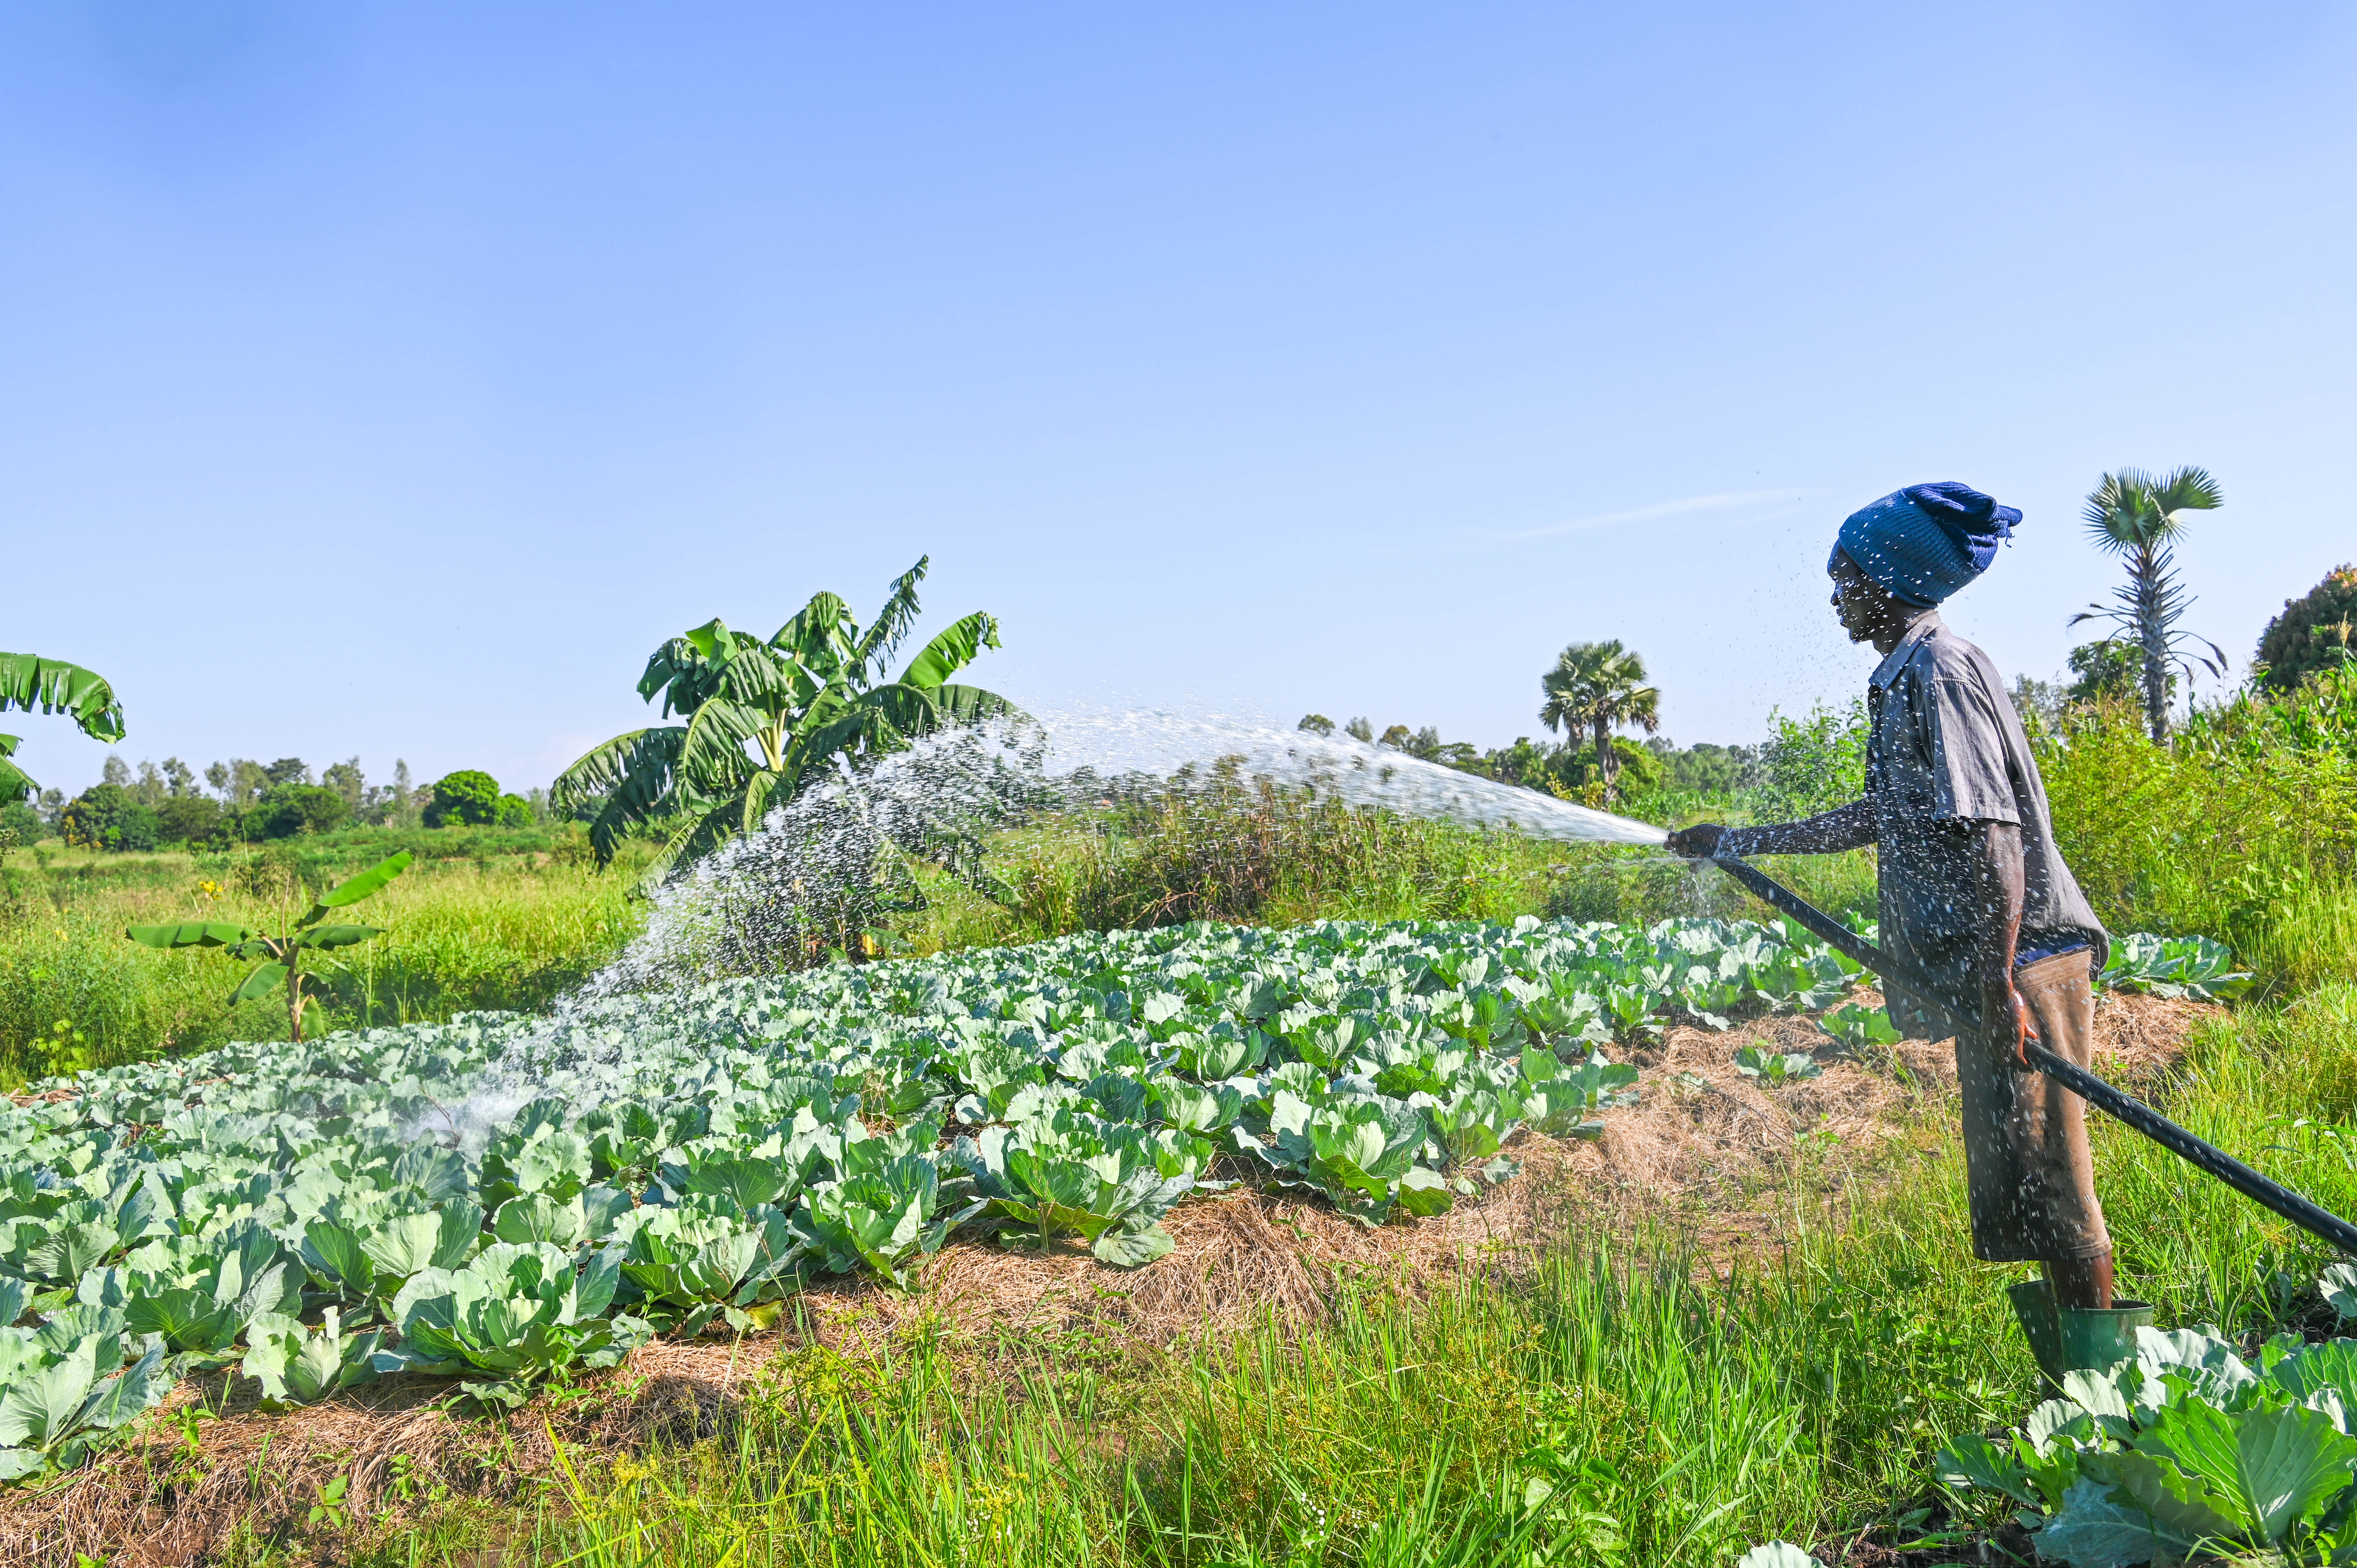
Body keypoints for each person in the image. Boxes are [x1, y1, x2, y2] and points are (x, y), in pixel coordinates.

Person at [1666, 482, 2145, 1379]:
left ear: (1885, 577)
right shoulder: (1902, 677)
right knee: (2028, 1197)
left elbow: (1994, 830)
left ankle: (2107, 1395)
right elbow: (1882, 813)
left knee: (2056, 1184)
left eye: (1843, 576)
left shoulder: (1940, 669)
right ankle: (2075, 1388)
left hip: (2029, 957)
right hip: (1998, 966)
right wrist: (1739, 843)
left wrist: (2002, 983)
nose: (1835, 594)